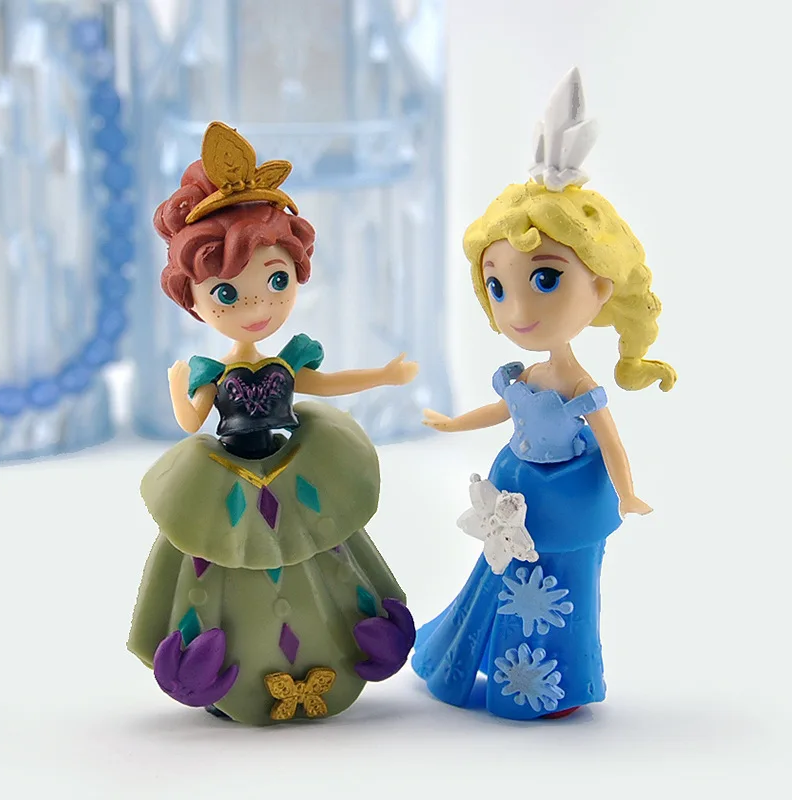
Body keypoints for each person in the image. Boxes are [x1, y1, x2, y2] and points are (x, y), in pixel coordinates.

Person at [128, 122, 418, 725]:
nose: (258, 305)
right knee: (215, 561)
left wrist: (385, 375)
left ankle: (341, 649)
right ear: (193, 297)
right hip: (227, 476)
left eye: (276, 280)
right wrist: (178, 386)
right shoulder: (212, 371)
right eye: (227, 293)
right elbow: (191, 422)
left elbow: (325, 384)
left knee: (325, 548)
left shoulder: (288, 364)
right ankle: (220, 667)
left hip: (294, 468)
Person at [412, 69, 676, 720]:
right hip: (519, 489)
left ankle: (552, 682)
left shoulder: (582, 386)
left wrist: (628, 493)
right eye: (498, 287)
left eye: (547, 280)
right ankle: (499, 667)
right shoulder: (525, 378)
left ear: (601, 289)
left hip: (571, 497)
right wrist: (452, 423)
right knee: (506, 579)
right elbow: (502, 412)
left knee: (565, 587)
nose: (518, 311)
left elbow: (611, 444)